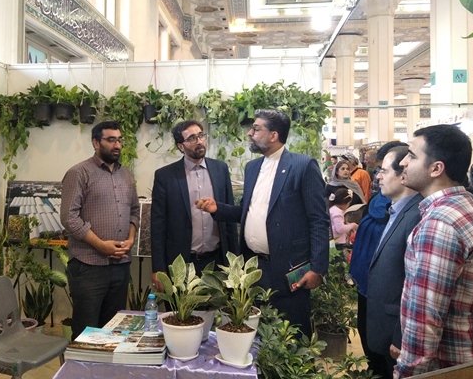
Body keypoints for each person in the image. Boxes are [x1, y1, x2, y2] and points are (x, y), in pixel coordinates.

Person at [195, 109, 329, 336]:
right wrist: (219, 209)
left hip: (289, 270)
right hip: (254, 268)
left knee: (291, 335)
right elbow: (250, 213)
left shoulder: (303, 166)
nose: (250, 133)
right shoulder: (253, 167)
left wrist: (318, 268)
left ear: (274, 135)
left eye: (256, 129)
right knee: (254, 335)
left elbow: (318, 220)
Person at [395, 124, 473, 378]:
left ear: (436, 168)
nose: (403, 163)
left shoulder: (440, 224)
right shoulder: (467, 209)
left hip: (448, 368)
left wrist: (408, 373)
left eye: (412, 156)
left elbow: (425, 320)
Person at [60, 120, 140, 340]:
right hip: (89, 266)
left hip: (120, 265)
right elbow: (69, 218)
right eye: (111, 140)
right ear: (96, 142)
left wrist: (131, 238)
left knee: (113, 330)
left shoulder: (126, 174)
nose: (117, 145)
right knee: (86, 332)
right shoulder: (79, 173)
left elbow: (135, 210)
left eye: (119, 140)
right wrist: (100, 245)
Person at [151, 120, 238, 287]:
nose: (199, 141)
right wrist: (158, 268)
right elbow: (158, 226)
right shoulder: (165, 176)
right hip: (182, 263)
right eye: (191, 138)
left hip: (217, 260)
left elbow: (229, 219)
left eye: (200, 136)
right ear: (180, 146)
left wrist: (234, 262)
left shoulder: (220, 169)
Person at [349, 140, 406, 378]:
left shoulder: (408, 213)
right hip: (369, 282)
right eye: (378, 169)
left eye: (383, 170)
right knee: (369, 338)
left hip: (386, 293)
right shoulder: (383, 203)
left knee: (383, 354)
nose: (378, 176)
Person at [366, 146, 422, 379]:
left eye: (384, 171)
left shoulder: (416, 215)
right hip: (384, 323)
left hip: (397, 331)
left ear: (403, 175)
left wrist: (400, 335)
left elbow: (415, 284)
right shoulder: (397, 210)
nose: (378, 176)